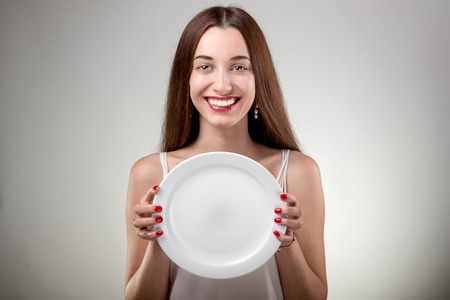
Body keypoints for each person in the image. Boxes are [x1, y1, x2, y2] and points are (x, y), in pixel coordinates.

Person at [125, 6, 327, 300]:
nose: (222, 85)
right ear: (187, 79)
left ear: (260, 77)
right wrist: (158, 239)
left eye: (239, 67)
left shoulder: (296, 171)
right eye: (205, 66)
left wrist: (285, 241)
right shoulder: (151, 174)